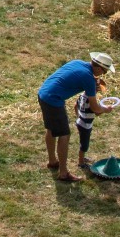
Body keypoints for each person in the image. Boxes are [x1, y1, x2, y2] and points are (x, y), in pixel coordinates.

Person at [36, 53, 111, 182]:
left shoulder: (78, 63)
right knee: (64, 135)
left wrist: (92, 86)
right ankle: (63, 173)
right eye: (104, 72)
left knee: (51, 130)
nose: (102, 75)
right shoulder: (88, 78)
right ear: (99, 68)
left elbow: (75, 80)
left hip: (44, 93)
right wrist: (106, 109)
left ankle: (52, 161)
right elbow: (95, 108)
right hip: (54, 100)